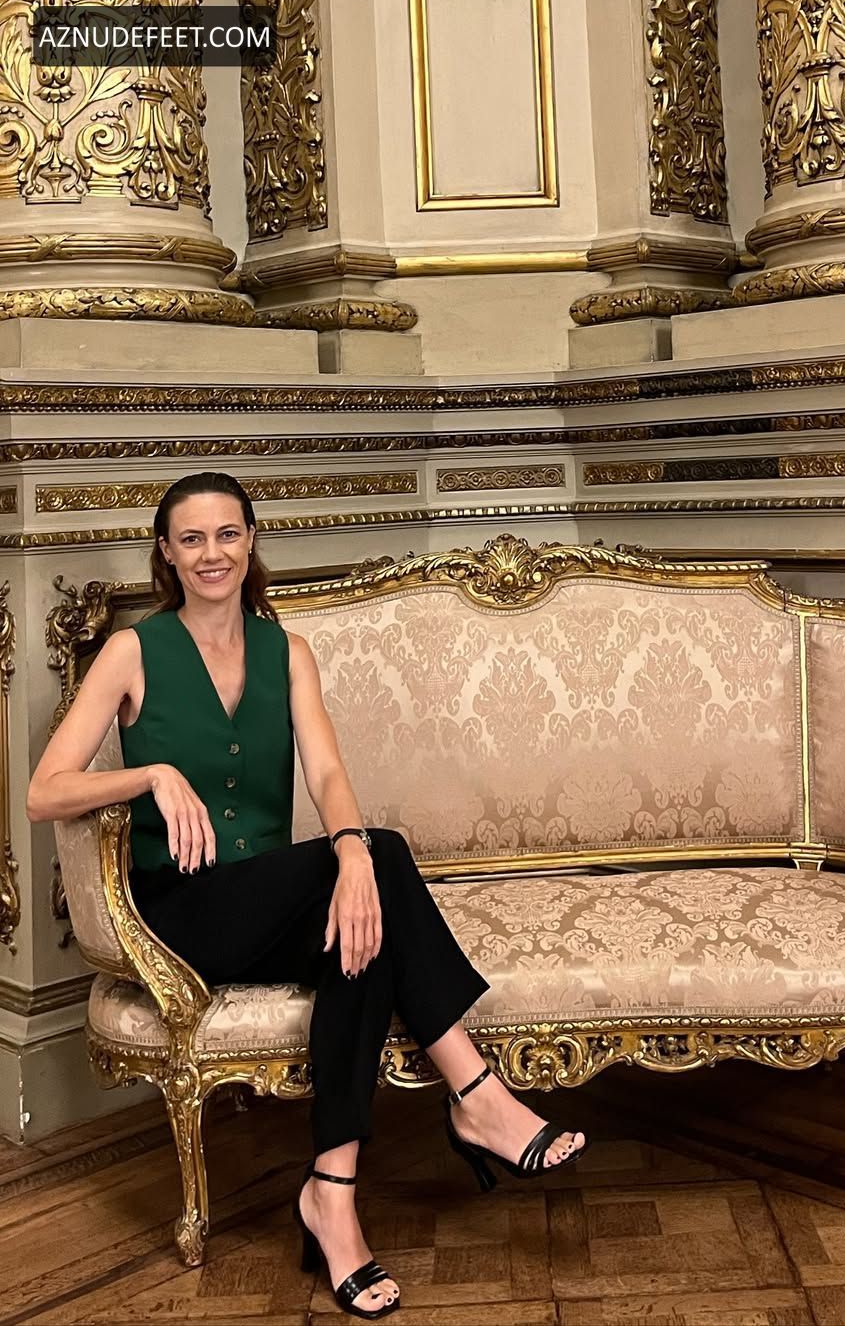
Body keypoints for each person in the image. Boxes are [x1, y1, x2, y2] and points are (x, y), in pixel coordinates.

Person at [27, 471, 587, 1321]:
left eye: (227, 534)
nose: (211, 554)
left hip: (265, 901)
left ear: (251, 540)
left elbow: (326, 772)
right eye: (191, 539)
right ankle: (476, 1097)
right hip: (179, 913)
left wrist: (351, 855)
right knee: (374, 867)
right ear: (167, 554)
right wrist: (151, 774)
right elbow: (45, 791)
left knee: (364, 926)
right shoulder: (134, 652)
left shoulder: (285, 651)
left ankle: (332, 1190)